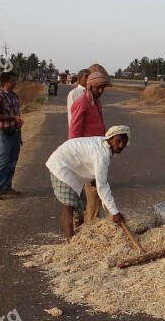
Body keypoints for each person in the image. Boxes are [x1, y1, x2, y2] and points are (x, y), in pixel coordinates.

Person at [46, 126, 131, 241]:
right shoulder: (102, 154)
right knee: (69, 206)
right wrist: (115, 213)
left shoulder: (106, 147)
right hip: (61, 165)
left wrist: (94, 180)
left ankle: (80, 237)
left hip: (73, 168)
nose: (121, 145)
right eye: (118, 141)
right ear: (110, 139)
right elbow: (102, 186)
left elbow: (92, 166)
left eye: (124, 143)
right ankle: (70, 243)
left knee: (80, 207)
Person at [69, 70, 110, 223]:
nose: (100, 91)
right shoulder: (81, 103)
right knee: (93, 192)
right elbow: (74, 131)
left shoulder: (96, 102)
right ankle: (90, 225)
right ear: (90, 86)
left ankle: (91, 221)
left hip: (97, 151)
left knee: (95, 193)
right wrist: (78, 158)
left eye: (102, 88)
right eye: (98, 88)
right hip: (86, 155)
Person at [0, 71, 24, 200]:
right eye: (13, 80)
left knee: (12, 162)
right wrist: (12, 118)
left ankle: (6, 186)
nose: (15, 82)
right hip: (5, 134)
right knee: (2, 162)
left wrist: (19, 134)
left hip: (15, 132)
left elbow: (17, 115)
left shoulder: (14, 96)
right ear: (5, 82)